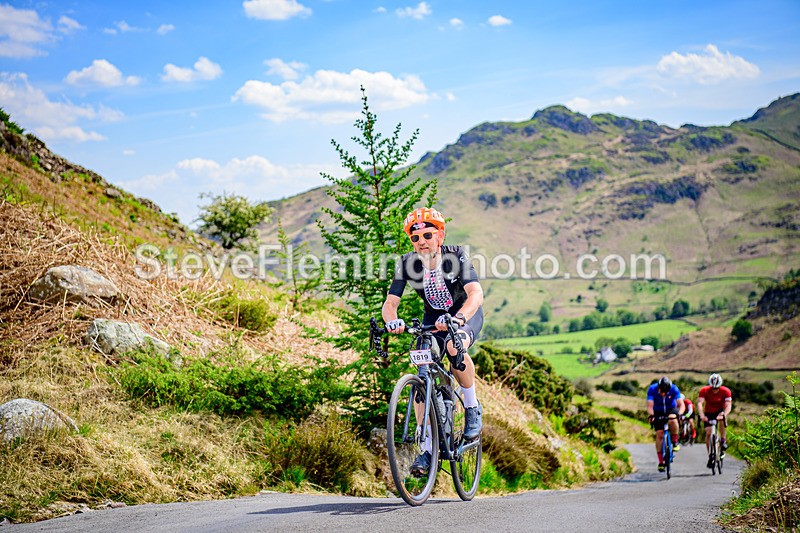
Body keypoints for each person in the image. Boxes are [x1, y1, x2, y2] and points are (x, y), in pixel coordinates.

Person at [382, 207, 485, 476]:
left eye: (428, 235)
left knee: (454, 346)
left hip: (464, 315)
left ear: (439, 236)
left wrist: (460, 318)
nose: (422, 241)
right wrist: (392, 321)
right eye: (415, 238)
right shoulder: (407, 264)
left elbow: (475, 293)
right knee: (421, 368)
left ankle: (472, 407)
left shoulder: (455, 255)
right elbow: (390, 303)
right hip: (432, 321)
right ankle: (427, 448)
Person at [646, 376, 686, 472]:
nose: (663, 393)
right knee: (659, 434)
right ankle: (660, 462)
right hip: (658, 411)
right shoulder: (652, 389)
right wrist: (652, 415)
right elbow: (650, 406)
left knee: (673, 420)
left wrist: (679, 414)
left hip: (670, 409)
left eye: (665, 392)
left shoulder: (674, 389)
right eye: (661, 391)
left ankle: (675, 441)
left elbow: (681, 404)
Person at [697, 373, 733, 467]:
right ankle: (711, 455)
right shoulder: (704, 390)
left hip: (720, 411)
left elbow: (728, 405)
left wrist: (724, 414)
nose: (715, 390)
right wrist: (702, 415)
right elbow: (700, 403)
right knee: (708, 433)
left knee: (721, 420)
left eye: (717, 388)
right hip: (709, 412)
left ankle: (723, 440)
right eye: (713, 388)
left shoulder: (726, 391)